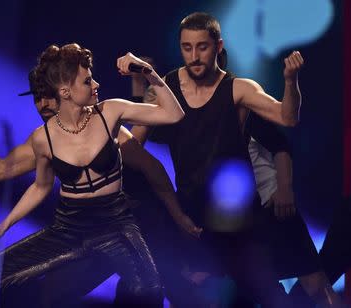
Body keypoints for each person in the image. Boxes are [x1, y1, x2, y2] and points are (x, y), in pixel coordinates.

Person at [0, 43, 202, 307]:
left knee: (149, 291)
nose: (96, 84)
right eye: (88, 80)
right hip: (69, 227)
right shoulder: (43, 139)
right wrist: (4, 225)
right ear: (65, 91)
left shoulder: (110, 113)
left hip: (116, 225)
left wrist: (146, 71)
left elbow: (174, 114)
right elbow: (41, 187)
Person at [130, 12, 304, 307]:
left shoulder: (239, 88)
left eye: (203, 47)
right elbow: (133, 144)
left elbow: (287, 117)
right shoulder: (166, 89)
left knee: (258, 296)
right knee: (180, 294)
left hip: (238, 220)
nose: (195, 56)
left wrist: (290, 81)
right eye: (187, 47)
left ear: (218, 46)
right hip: (191, 217)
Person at [245, 112, 344, 307]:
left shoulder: (243, 103)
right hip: (238, 220)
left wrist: (284, 188)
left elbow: (281, 144)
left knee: (317, 285)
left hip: (275, 205)